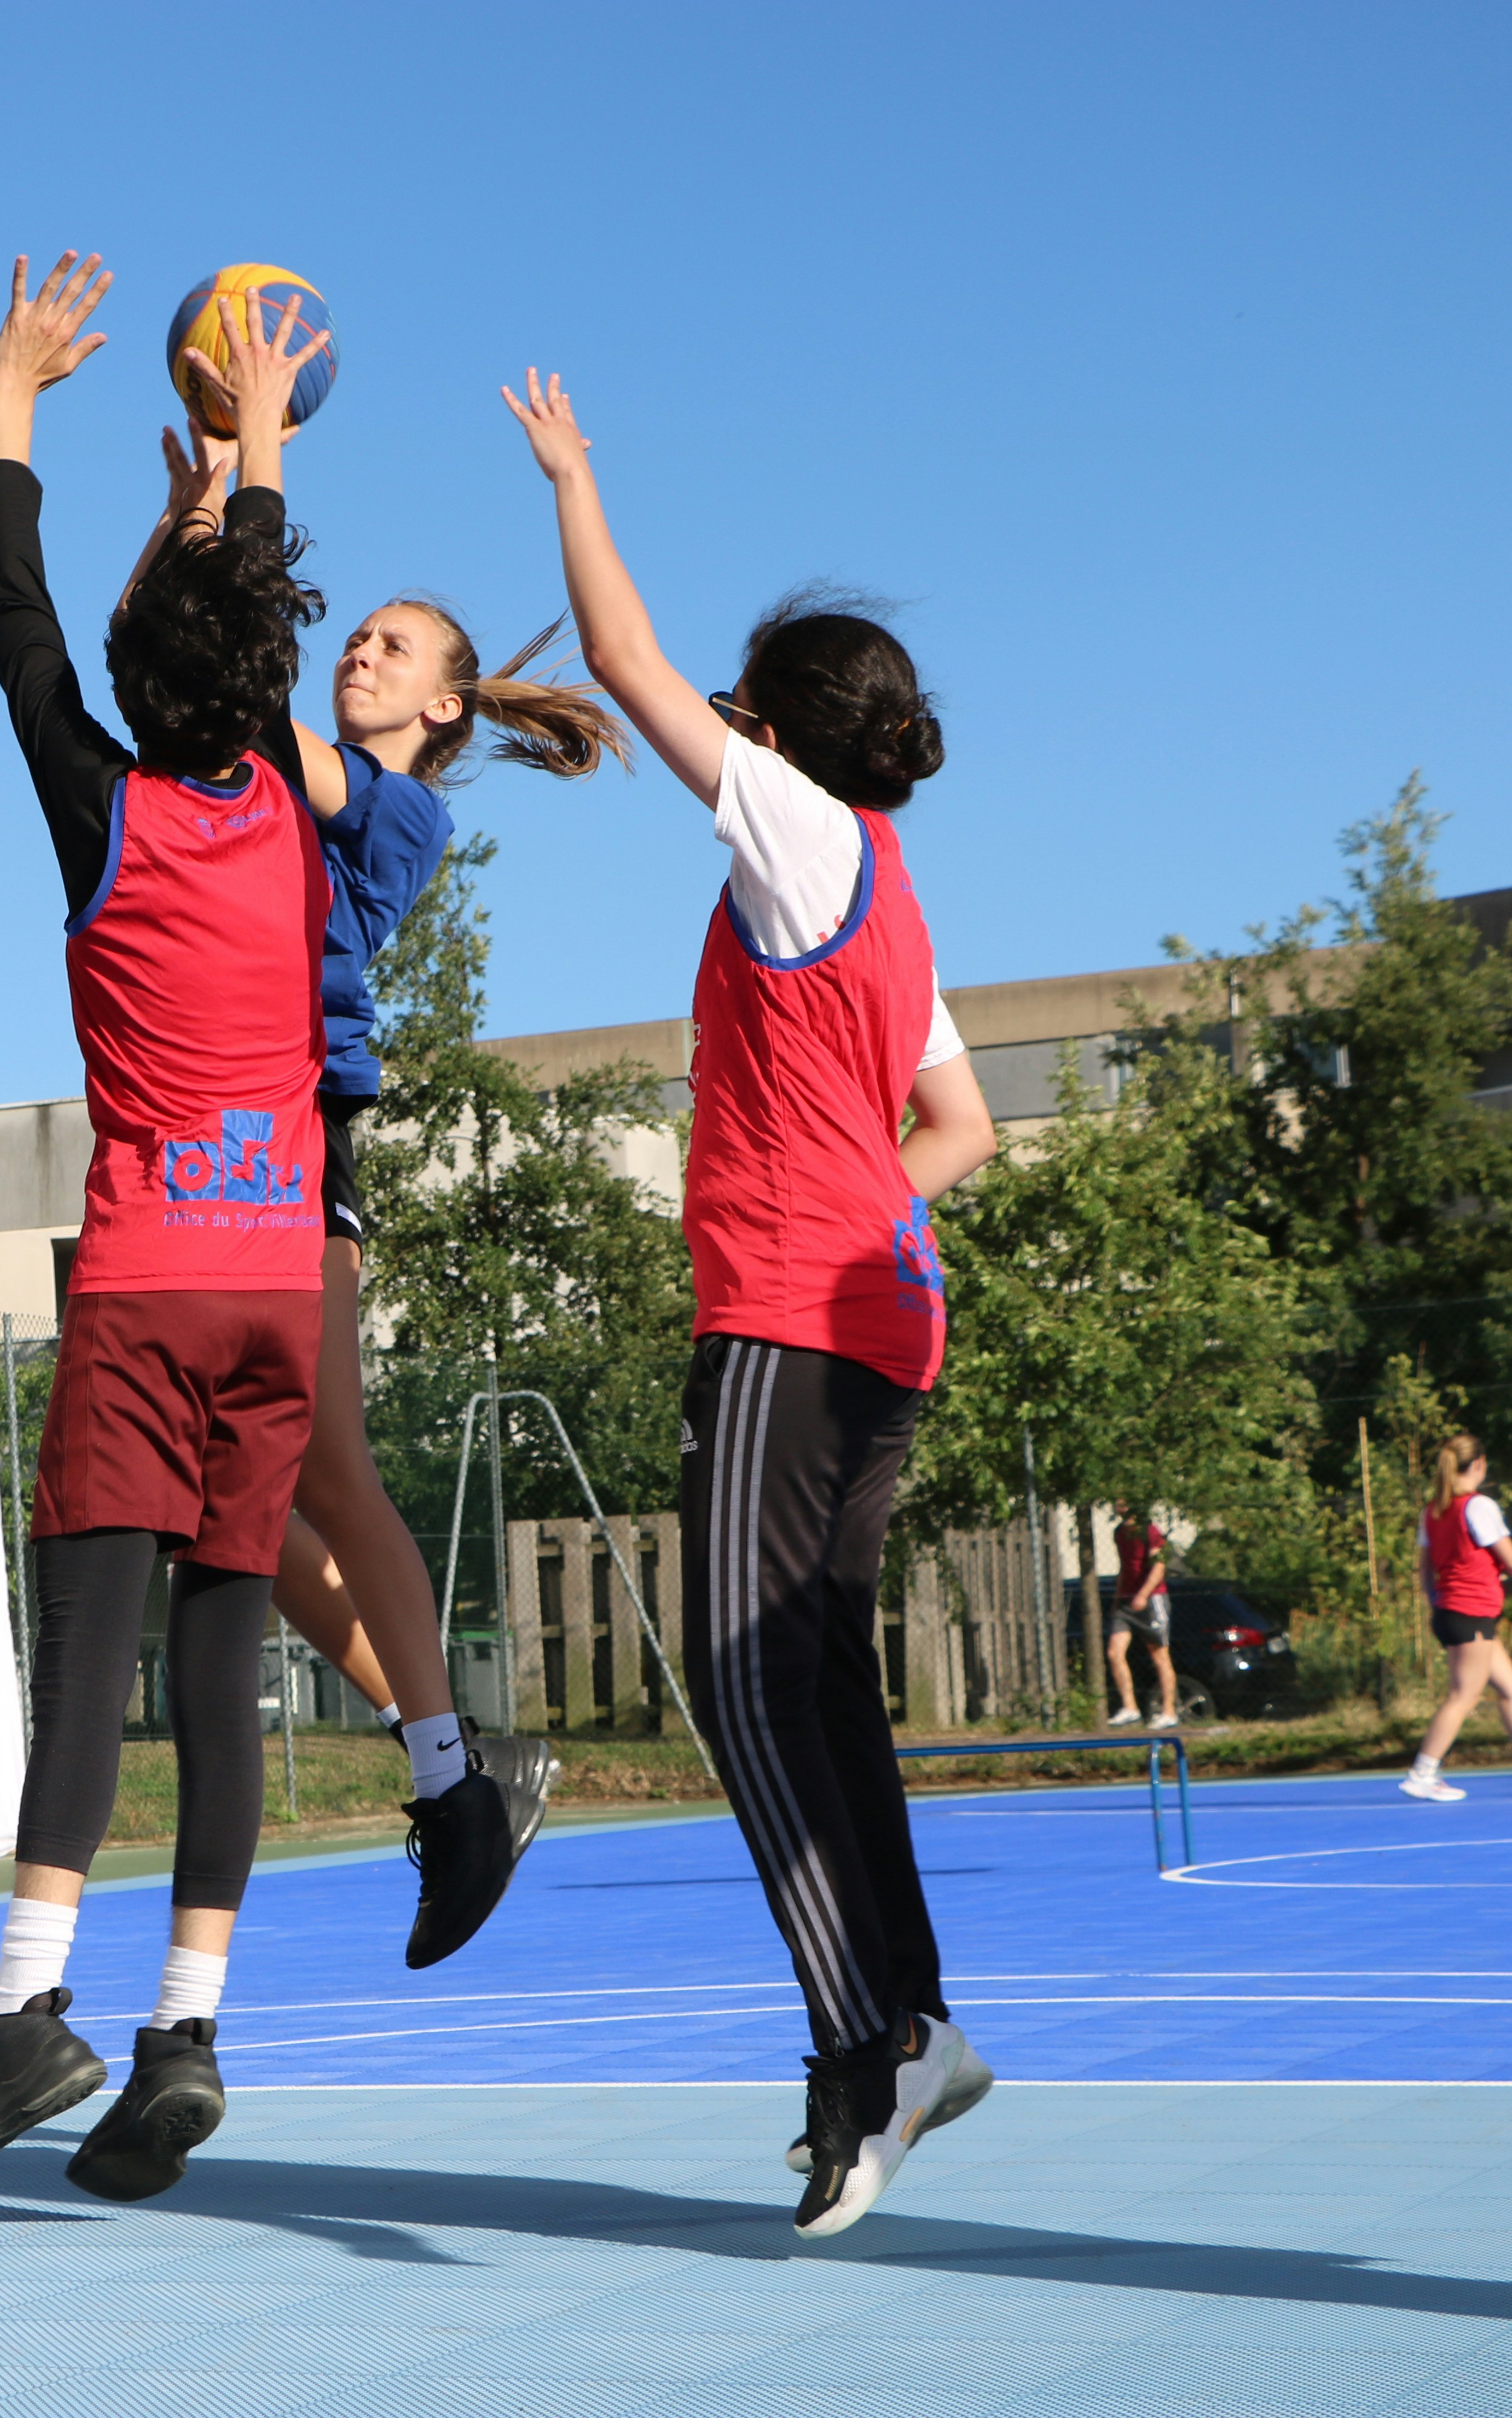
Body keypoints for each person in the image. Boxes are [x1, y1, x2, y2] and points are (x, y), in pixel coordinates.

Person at [507, 366, 1000, 2240]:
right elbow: (956, 1123)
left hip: (793, 1317)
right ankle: (919, 2020)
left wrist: (573, 481)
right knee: (819, 1687)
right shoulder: (885, 892)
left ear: (787, 730)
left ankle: (857, 2056)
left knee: (730, 1673)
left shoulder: (796, 837)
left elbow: (625, 658)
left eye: (749, 699)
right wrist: (863, 1191)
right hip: (874, 1315)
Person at [0, 253, 327, 2205]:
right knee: (219, 1671)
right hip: (284, 1292)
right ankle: (186, 2029)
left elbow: (16, 633)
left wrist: (15, 398)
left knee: (89, 1656)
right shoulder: (299, 817)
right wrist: (243, 468)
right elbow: (245, 625)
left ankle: (25, 2012)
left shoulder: (111, 813)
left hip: (153, 1278)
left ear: (135, 675)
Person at [129, 422, 625, 1963]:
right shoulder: (291, 767)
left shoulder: (401, 808)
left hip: (303, 1140)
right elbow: (184, 665)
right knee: (232, 1512)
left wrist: (244, 499)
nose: (358, 648)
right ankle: (465, 1757)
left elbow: (251, 695)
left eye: (388, 643)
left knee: (327, 1469)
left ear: (442, 703)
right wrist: (186, 515)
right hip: (213, 1142)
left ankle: (450, 1775)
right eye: (352, 632)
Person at [1399, 1433, 1512, 1801]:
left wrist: (1437, 1602)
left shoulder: (1434, 1510)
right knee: (1464, 1696)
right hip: (1469, 1614)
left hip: (1458, 1613)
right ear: (1480, 1465)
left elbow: (1428, 1567)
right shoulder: (1478, 1506)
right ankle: (1422, 1774)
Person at [1101, 1515, 1179, 1731]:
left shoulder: (1151, 1532)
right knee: (1114, 1654)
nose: (1119, 1503)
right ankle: (1130, 1708)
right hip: (1126, 1601)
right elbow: (1125, 1567)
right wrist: (1118, 1598)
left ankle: (1169, 1712)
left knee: (1159, 1656)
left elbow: (1159, 1568)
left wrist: (1143, 1595)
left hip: (1152, 1599)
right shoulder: (1119, 1533)